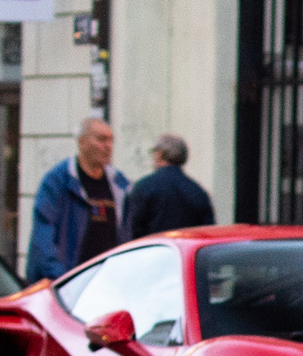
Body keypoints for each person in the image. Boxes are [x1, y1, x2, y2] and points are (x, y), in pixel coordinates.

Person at [25, 116, 130, 282]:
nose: (107, 146)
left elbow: (125, 236)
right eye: (101, 139)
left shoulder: (119, 183)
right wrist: (62, 280)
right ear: (82, 142)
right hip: (67, 283)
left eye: (111, 141)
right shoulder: (58, 181)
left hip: (105, 283)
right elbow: (43, 238)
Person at [124, 133, 217, 239]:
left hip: (153, 252)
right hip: (186, 253)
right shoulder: (198, 192)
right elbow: (208, 234)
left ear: (159, 154)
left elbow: (131, 231)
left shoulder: (144, 187)